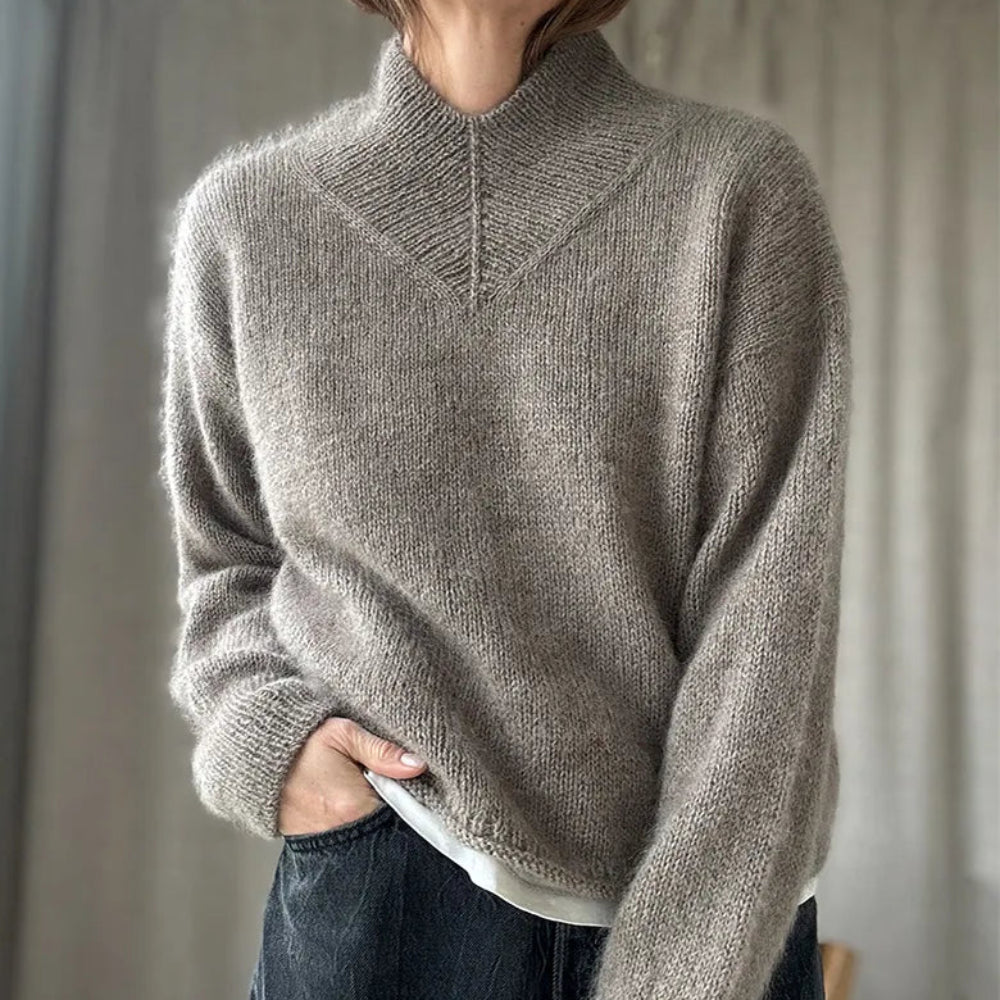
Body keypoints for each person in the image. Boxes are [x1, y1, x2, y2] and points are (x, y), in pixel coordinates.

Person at [157, 0, 852, 997]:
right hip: (389, 877)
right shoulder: (248, 218)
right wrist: (273, 743)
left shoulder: (735, 189)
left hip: (710, 911)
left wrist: (689, 967)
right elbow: (226, 559)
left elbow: (771, 612)